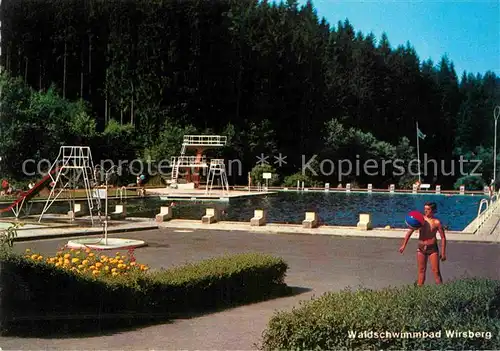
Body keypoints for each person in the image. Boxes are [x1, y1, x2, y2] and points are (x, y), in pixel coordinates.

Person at [399, 202, 447, 286]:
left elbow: (443, 237)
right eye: (425, 209)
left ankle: (442, 292)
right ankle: (420, 293)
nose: (426, 211)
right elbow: (409, 232)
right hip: (421, 249)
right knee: (421, 271)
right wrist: (404, 245)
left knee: (436, 271)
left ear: (433, 210)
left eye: (428, 209)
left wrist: (443, 253)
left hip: (432, 249)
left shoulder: (437, 222)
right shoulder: (420, 220)